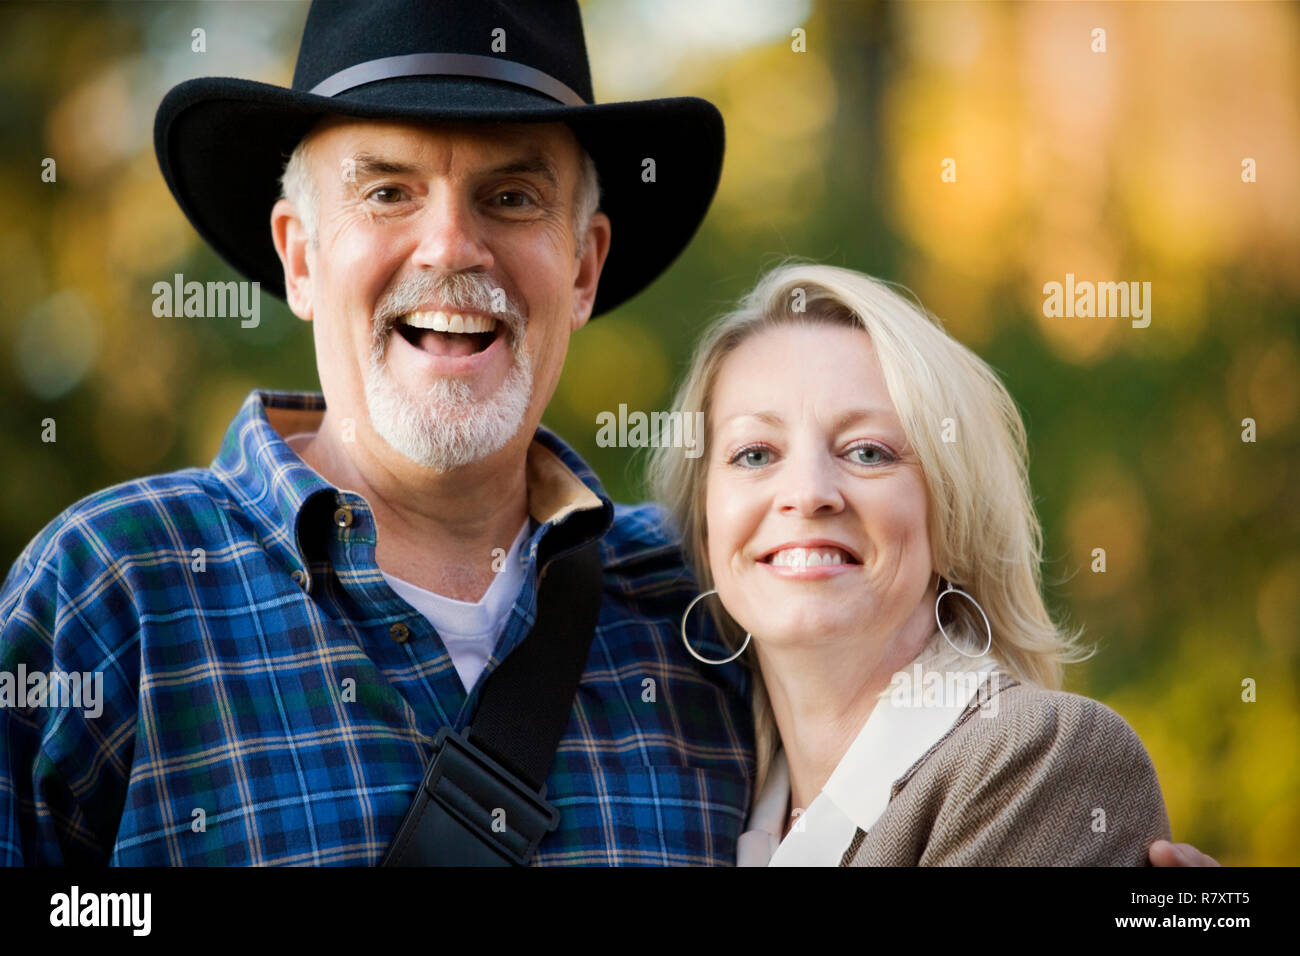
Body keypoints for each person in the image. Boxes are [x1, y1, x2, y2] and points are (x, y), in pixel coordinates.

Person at [0, 0, 1211, 867]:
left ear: (582, 265)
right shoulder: (115, 591)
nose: (452, 247)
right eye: (388, 190)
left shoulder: (706, 613)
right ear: (300, 254)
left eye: (511, 195)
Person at [649, 262, 1178, 865]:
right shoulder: (726, 809)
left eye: (867, 451)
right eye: (754, 453)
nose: (808, 491)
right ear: (705, 519)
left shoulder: (1040, 759)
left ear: (951, 515)